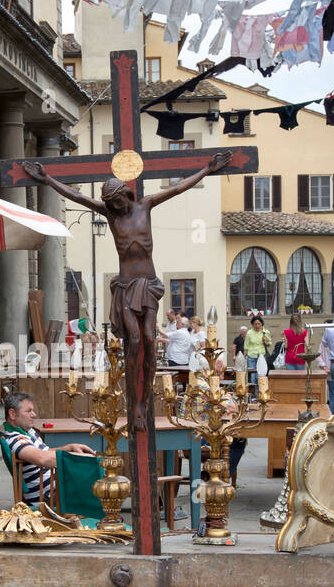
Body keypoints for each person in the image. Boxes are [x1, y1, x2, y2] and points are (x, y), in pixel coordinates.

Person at [24, 152, 231, 430]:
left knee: (147, 337)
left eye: (118, 200)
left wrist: (206, 169)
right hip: (124, 286)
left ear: (127, 194)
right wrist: (48, 179)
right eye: (111, 203)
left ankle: (143, 399)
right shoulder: (109, 215)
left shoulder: (145, 206)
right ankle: (135, 404)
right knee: (133, 340)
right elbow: (79, 198)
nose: (116, 206)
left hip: (147, 284)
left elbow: (177, 188)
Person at [0, 391, 96, 507]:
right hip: (47, 499)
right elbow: (42, 458)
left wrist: (69, 448)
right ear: (12, 414)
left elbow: (45, 452)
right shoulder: (15, 439)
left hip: (55, 491)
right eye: (28, 411)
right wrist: (78, 458)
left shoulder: (28, 432)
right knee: (101, 486)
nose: (34, 414)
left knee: (100, 482)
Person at [243, 315, 272, 398]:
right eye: (255, 324)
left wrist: (265, 341)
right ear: (252, 324)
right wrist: (244, 358)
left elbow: (269, 343)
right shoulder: (249, 333)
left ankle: (261, 395)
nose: (257, 326)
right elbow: (246, 346)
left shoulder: (265, 332)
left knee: (260, 376)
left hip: (261, 356)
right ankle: (253, 397)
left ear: (262, 324)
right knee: (252, 377)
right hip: (251, 356)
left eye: (259, 324)